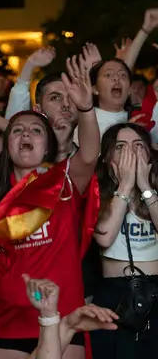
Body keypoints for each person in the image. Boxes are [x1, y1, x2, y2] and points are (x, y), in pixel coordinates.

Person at [0, 55, 100, 359]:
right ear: (8, 144)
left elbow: (91, 153)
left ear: (47, 147)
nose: (26, 134)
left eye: (36, 131)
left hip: (62, 321)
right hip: (4, 327)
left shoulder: (65, 181)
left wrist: (86, 108)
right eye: (17, 130)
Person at [91, 123, 158, 357]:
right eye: (121, 147)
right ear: (108, 156)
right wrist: (126, 186)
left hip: (155, 288)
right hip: (114, 293)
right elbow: (105, 236)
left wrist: (146, 187)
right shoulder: (96, 191)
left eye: (138, 145)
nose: (130, 152)